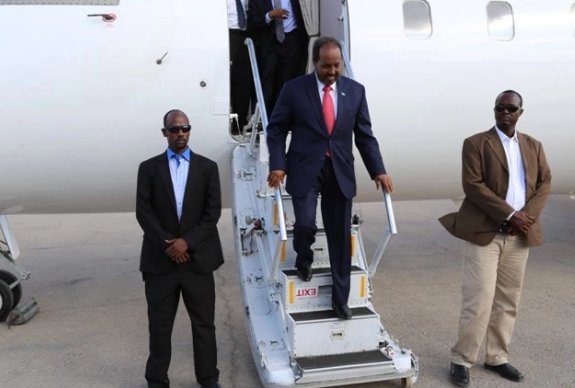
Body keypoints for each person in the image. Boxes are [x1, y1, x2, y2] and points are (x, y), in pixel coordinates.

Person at [266, 36, 393, 320]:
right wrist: (278, 164)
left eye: (337, 66)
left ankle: (340, 300)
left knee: (339, 238)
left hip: (339, 171)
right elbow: (275, 130)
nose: (332, 71)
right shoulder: (294, 89)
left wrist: (379, 170)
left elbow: (364, 136)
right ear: (315, 63)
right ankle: (304, 257)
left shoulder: (355, 91)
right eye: (327, 66)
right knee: (306, 225)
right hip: (304, 168)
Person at [439, 90, 551, 387]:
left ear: (520, 112)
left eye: (511, 108)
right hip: (485, 235)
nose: (505, 112)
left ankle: (497, 356)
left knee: (508, 299)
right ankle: (462, 359)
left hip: (518, 237)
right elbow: (473, 185)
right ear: (494, 110)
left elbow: (545, 183)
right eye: (500, 107)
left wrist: (525, 216)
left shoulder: (533, 146)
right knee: (479, 299)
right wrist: (510, 214)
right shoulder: (476, 143)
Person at [136, 109, 224, 388]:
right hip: (160, 264)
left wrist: (187, 242)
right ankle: (157, 381)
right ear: (165, 133)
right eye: (174, 129)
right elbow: (144, 212)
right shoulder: (148, 168)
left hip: (197, 262)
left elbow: (212, 214)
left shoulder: (207, 168)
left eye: (185, 128)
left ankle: (209, 379)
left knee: (204, 325)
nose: (181, 134)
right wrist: (169, 245)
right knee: (160, 327)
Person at [247, 0, 308, 114]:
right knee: (267, 79)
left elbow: (305, 15)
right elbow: (252, 22)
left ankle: (284, 116)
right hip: (270, 42)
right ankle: (262, 118)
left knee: (287, 81)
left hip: (293, 41)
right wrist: (270, 15)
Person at [227, 0, 254, 135]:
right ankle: (230, 121)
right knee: (227, 81)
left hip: (245, 35)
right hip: (226, 34)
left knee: (244, 81)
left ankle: (240, 122)